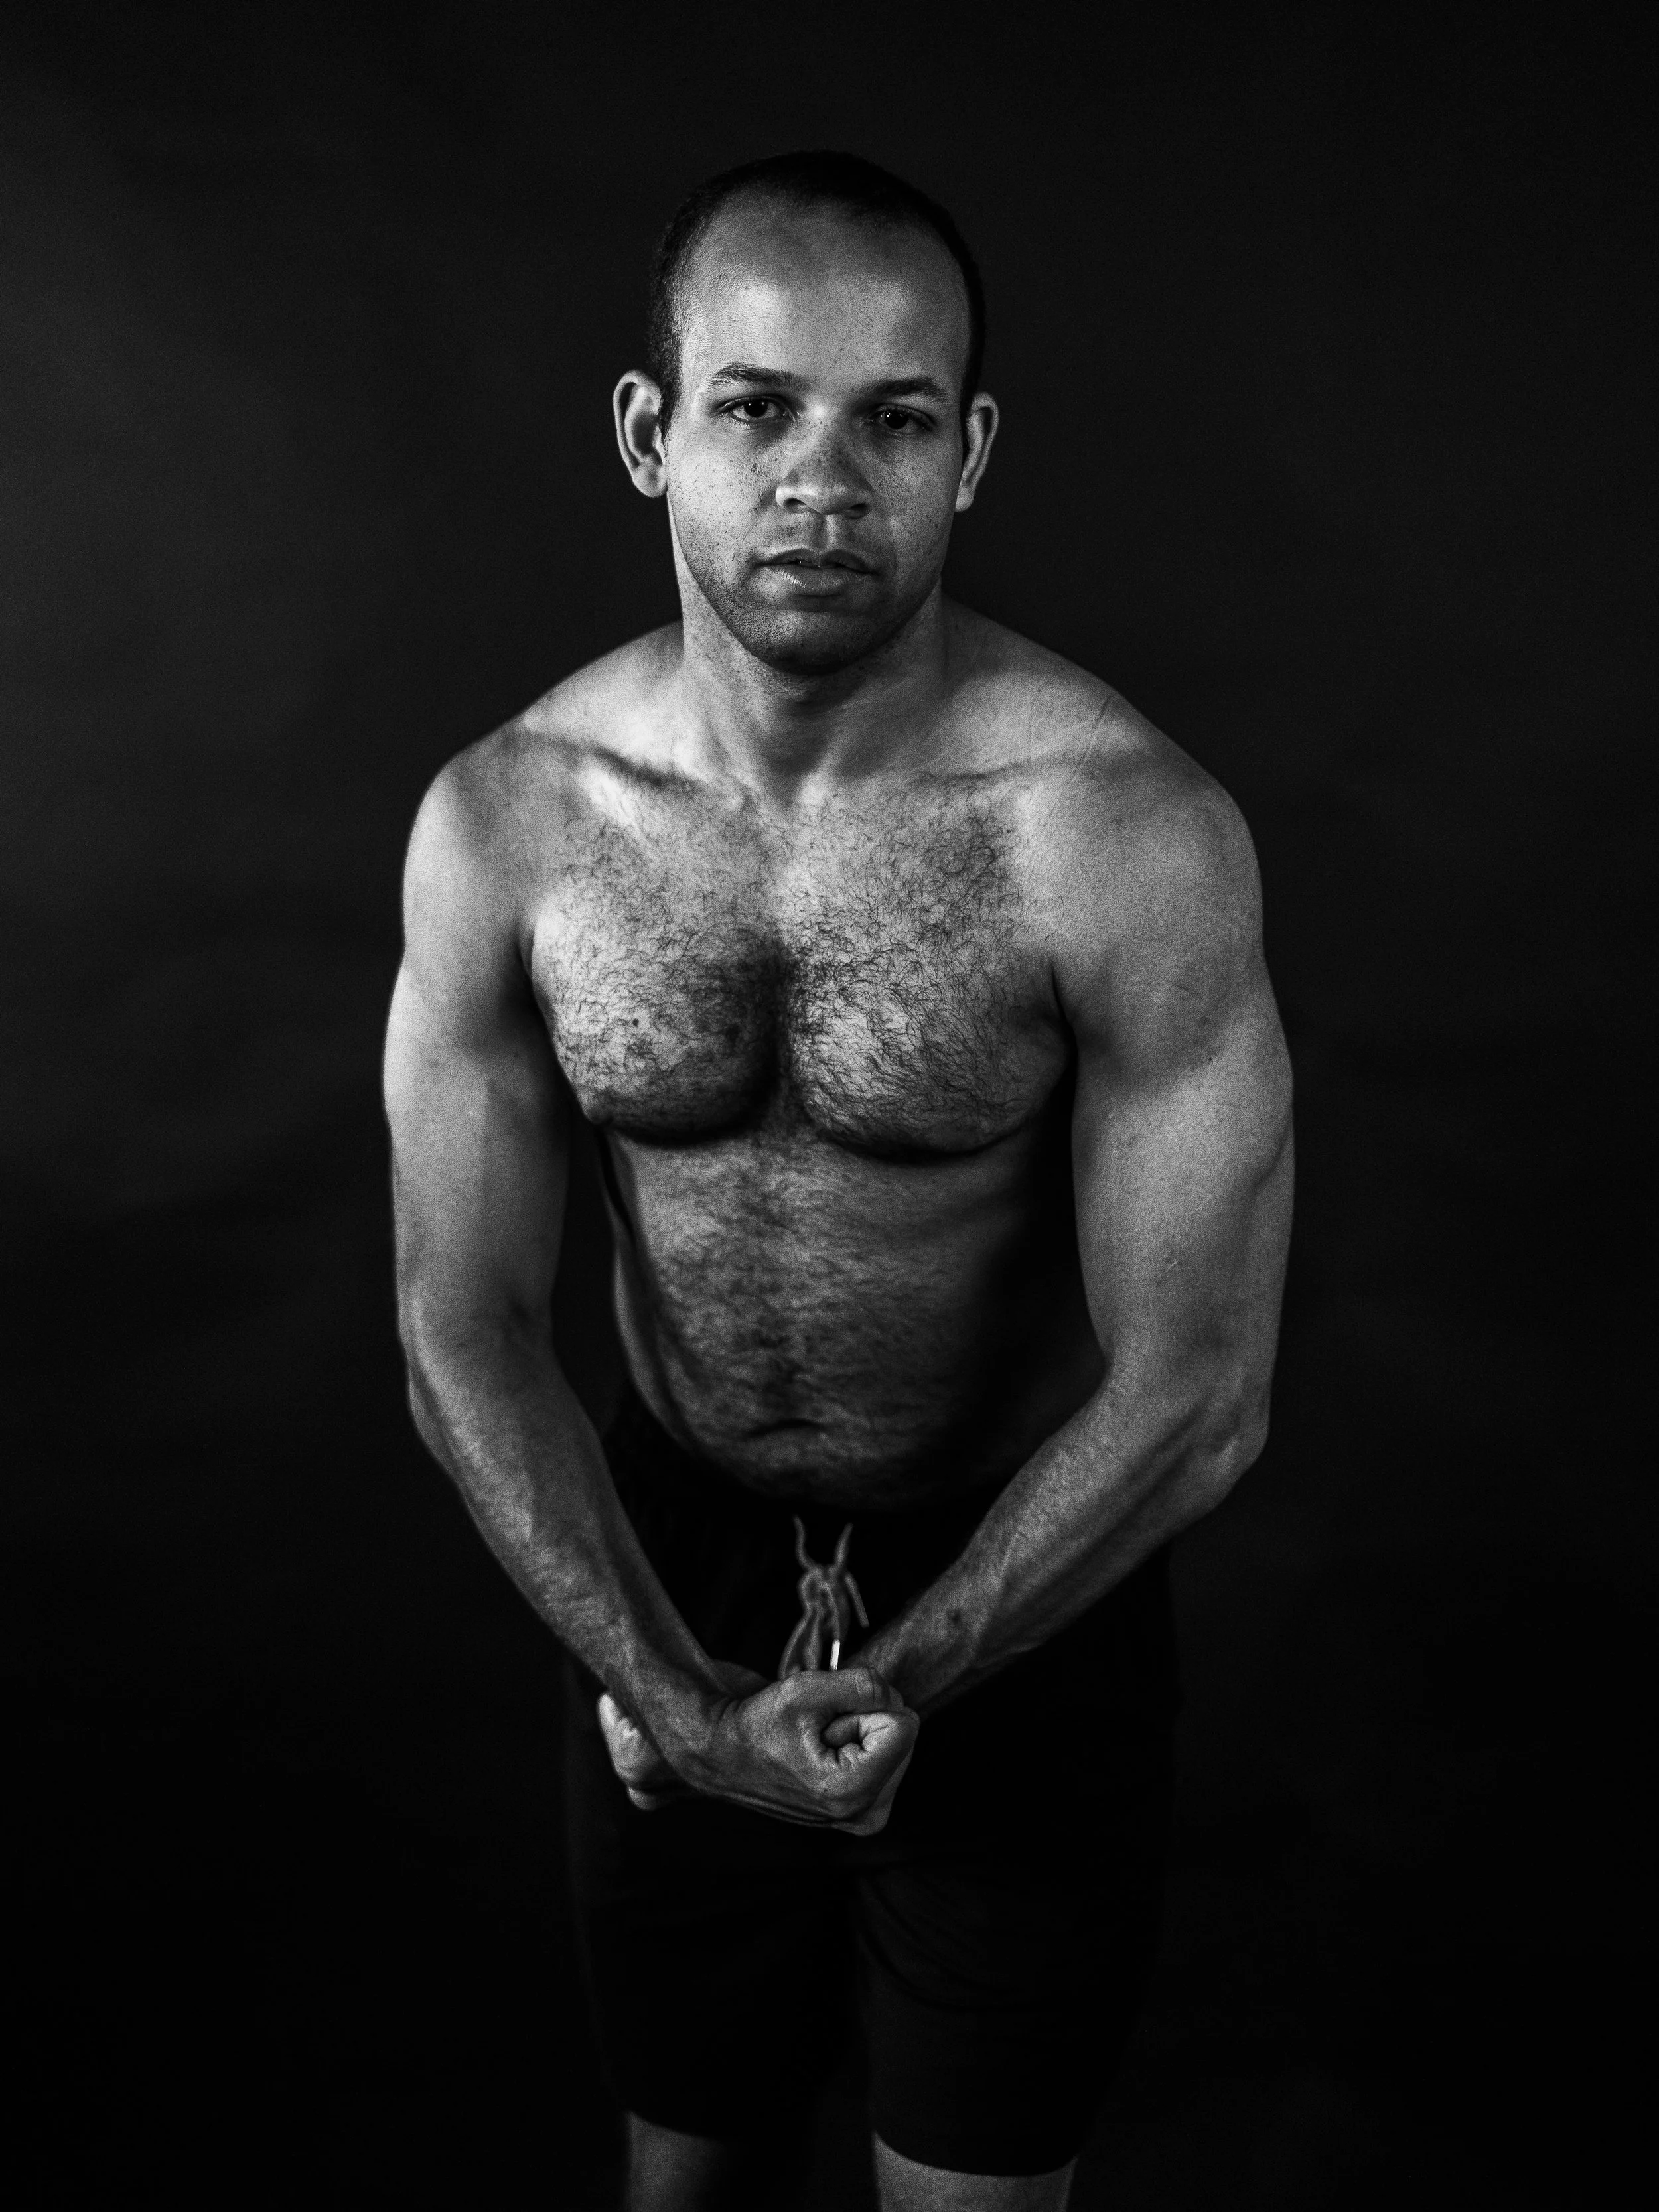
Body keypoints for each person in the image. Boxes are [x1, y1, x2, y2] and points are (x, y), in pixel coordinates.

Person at [384, 149, 1293, 2212]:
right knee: (683, 2171)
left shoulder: (1116, 835)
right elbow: (456, 1332)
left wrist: (905, 1670)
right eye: (756, 406)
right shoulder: (512, 824)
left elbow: (1200, 1390)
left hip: (1028, 1571)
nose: (822, 475)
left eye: (893, 419)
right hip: (669, 1549)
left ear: (968, 453)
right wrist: (663, 1683)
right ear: (650, 434)